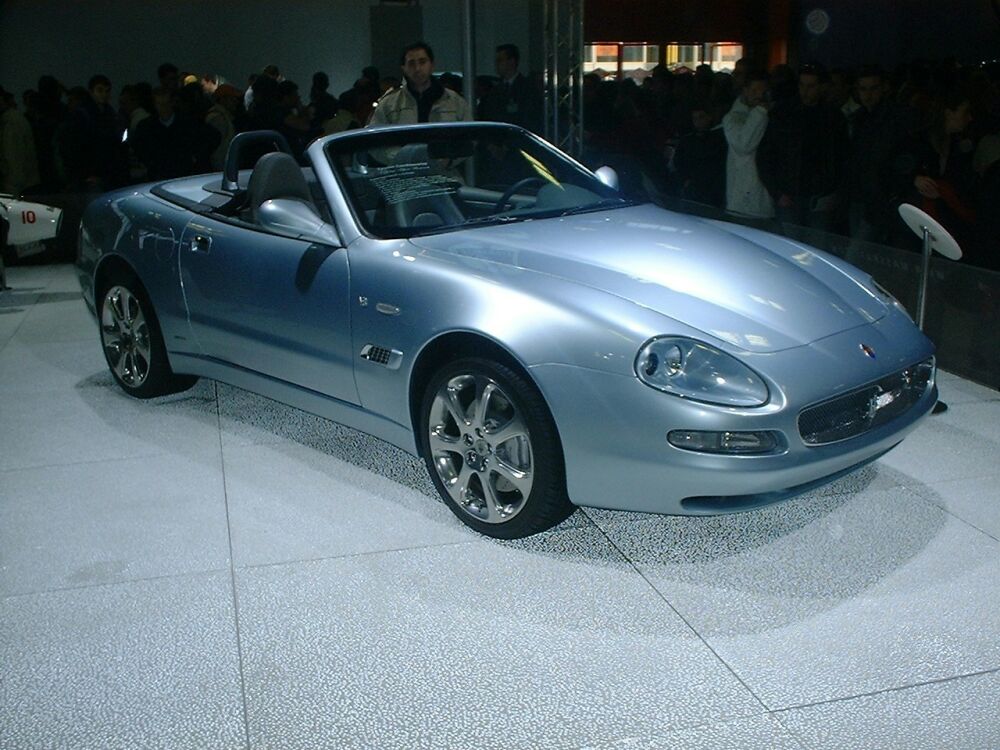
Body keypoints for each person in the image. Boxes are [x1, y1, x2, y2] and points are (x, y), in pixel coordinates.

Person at [758, 64, 848, 233]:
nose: (805, 91)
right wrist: (777, 192)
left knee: (804, 250)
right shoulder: (783, 113)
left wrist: (834, 192)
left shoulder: (833, 117)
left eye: (810, 86)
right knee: (804, 250)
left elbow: (842, 158)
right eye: (802, 85)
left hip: (816, 196)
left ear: (821, 87)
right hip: (792, 195)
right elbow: (766, 155)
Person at [367, 41, 470, 126]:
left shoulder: (456, 103)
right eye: (411, 63)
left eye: (422, 62)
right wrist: (399, 152)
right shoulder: (389, 105)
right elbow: (376, 142)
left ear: (432, 65)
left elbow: (469, 138)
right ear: (403, 68)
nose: (417, 69)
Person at [722, 70, 774, 220]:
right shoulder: (733, 119)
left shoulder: (769, 116)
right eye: (754, 90)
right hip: (743, 199)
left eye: (763, 91)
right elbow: (744, 144)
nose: (759, 95)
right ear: (745, 90)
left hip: (765, 194)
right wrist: (761, 111)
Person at [477, 43, 542, 133]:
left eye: (500, 60)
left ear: (511, 61)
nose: (496, 65)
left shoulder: (528, 89)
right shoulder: (494, 91)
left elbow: (530, 119)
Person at [0, 84, 41, 195]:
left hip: (18, 187)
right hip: (25, 184)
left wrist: (11, 189)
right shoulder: (14, 119)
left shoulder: (10, 122)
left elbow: (12, 158)